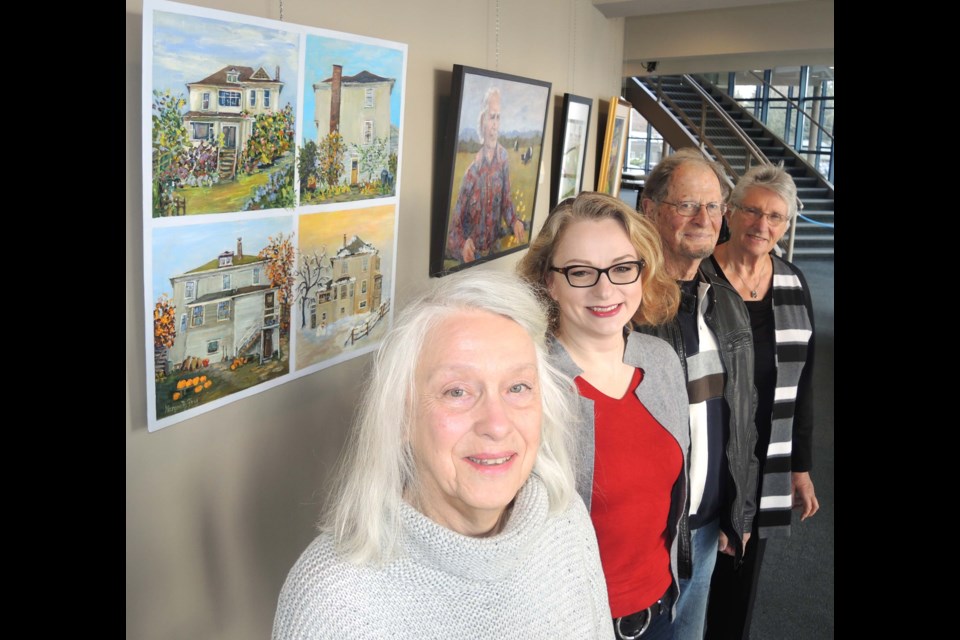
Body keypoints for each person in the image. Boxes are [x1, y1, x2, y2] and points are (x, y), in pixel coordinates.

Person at [272, 271, 614, 640]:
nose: (497, 425)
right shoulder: (333, 600)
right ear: (401, 417)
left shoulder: (565, 522)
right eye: (457, 392)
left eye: (518, 387)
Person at [518, 192, 689, 640]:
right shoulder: (527, 384)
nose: (605, 289)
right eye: (580, 272)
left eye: (621, 267)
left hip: (659, 609)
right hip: (565, 623)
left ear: (642, 270)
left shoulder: (662, 362)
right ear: (548, 282)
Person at [636, 148, 759, 640]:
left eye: (714, 207)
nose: (704, 219)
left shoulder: (725, 303)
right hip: (644, 535)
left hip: (705, 528)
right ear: (650, 209)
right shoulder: (624, 308)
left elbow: (741, 416)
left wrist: (739, 509)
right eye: (687, 205)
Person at [705, 164, 819, 640]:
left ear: (786, 225)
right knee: (695, 569)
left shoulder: (793, 282)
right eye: (752, 210)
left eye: (775, 217)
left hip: (765, 457)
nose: (762, 225)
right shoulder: (698, 278)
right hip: (706, 454)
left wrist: (799, 466)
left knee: (741, 578)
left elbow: (803, 381)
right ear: (730, 213)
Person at [446, 86, 527, 263]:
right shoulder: (471, 174)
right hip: (474, 263)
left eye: (498, 118)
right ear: (482, 121)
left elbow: (506, 201)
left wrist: (514, 221)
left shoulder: (504, 158)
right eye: (491, 117)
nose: (495, 125)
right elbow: (454, 230)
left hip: (497, 259)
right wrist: (463, 246)